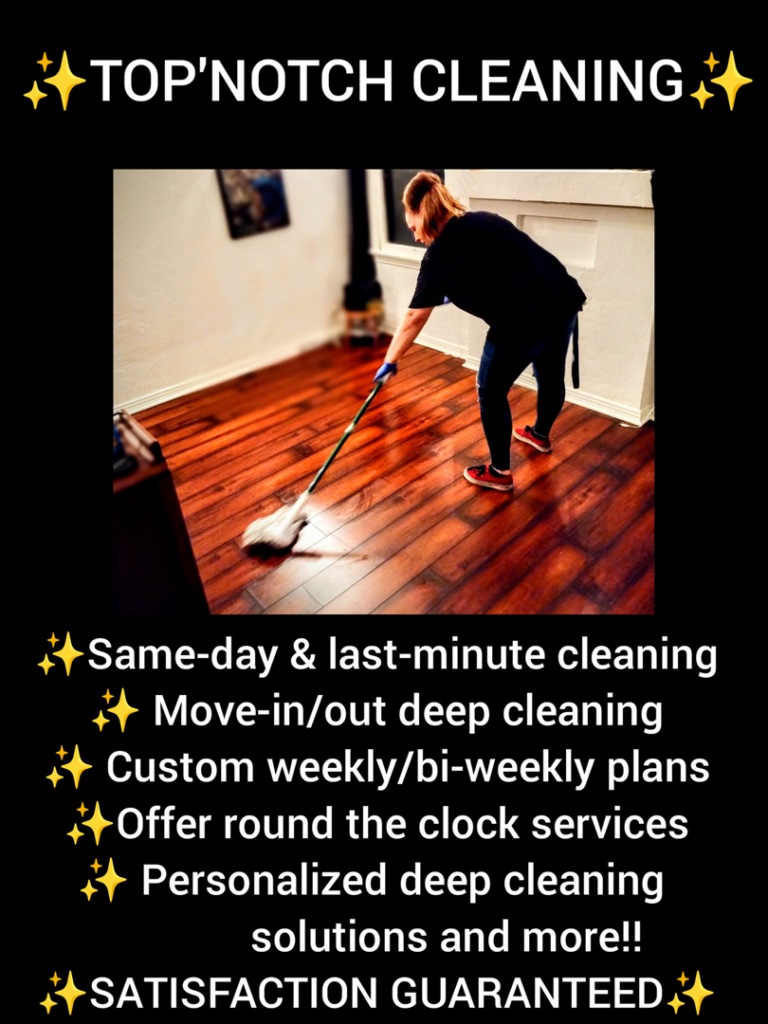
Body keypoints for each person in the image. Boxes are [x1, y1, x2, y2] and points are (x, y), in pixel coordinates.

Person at [373, 172, 586, 492]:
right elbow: (505, 267)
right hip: (562, 301)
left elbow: (415, 317)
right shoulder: (485, 219)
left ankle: (499, 472)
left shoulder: (438, 256)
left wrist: (390, 361)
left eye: (413, 228)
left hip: (521, 323)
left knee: (490, 391)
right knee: (550, 376)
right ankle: (540, 436)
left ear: (423, 213)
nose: (415, 238)